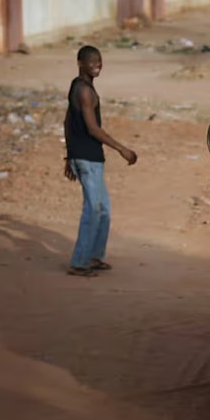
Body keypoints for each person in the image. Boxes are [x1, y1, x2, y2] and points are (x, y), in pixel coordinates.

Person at [63, 46, 138, 277]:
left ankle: (94, 256)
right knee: (93, 209)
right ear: (80, 63)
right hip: (87, 158)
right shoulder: (84, 91)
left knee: (103, 209)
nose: (97, 65)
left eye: (99, 61)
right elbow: (93, 129)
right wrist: (121, 149)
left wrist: (68, 156)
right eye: (92, 61)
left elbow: (67, 121)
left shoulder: (81, 87)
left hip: (85, 156)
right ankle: (79, 263)